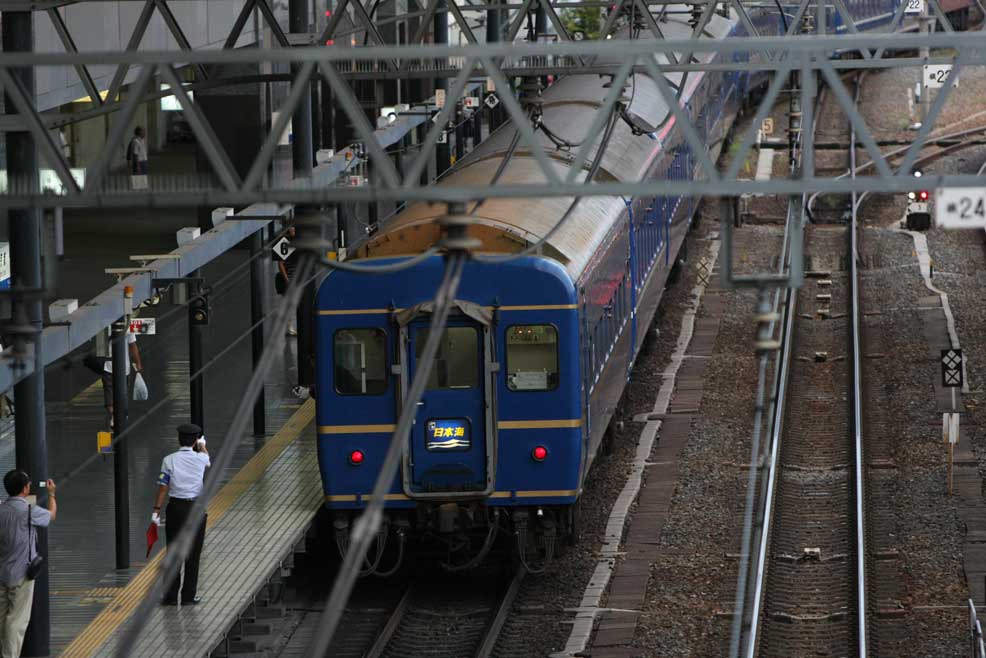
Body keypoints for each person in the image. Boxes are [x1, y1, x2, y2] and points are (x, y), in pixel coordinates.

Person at [0, 471, 56, 658]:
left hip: (2, 573)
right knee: (16, 621)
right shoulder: (30, 511)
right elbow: (51, 516)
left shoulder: (1, 509)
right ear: (25, 488)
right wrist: (51, 494)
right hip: (22, 574)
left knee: (2, 619)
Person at [152, 424, 209, 606]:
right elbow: (207, 458)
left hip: (175, 508)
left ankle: (169, 596)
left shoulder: (168, 460)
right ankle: (188, 597)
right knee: (194, 553)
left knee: (173, 551)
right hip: (196, 509)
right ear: (194, 441)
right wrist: (202, 445)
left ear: (178, 439)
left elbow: (163, 487)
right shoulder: (201, 459)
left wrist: (156, 509)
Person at [102, 331, 143, 428]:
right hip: (123, 369)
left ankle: (114, 416)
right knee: (122, 394)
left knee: (109, 396)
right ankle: (120, 414)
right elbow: (133, 346)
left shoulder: (103, 324)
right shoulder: (127, 324)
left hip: (108, 367)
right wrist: (138, 363)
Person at [275, 225, 299, 337]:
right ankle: (289, 327)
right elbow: (280, 264)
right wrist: (287, 279)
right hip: (290, 277)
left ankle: (290, 326)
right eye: (292, 229)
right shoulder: (286, 243)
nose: (294, 231)